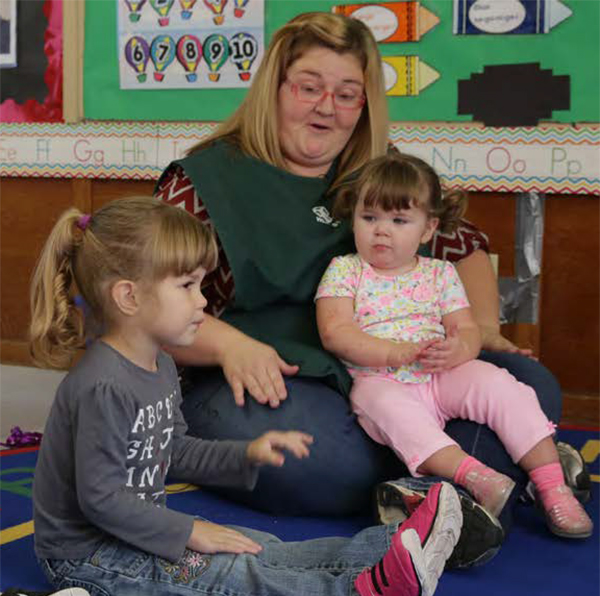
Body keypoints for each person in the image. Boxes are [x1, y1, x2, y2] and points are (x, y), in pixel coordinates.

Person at [154, 11, 574, 531]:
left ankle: (425, 488)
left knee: (529, 382)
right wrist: (227, 345)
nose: (326, 108)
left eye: (348, 94)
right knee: (327, 461)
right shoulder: (201, 181)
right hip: (262, 375)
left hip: (392, 368)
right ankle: (479, 476)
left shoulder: (377, 167)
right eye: (309, 87)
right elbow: (154, 307)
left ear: (365, 104)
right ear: (275, 88)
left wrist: (483, 328)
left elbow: (465, 244)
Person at [29, 196, 462, 596]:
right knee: (229, 575)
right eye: (186, 286)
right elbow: (101, 500)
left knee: (257, 547)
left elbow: (173, 449)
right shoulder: (103, 386)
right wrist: (188, 532)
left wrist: (244, 455)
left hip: (134, 532)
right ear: (128, 296)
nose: (202, 301)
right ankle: (358, 591)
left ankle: (395, 547)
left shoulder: (159, 364)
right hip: (89, 558)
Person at [315, 153, 592, 539]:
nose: (381, 231)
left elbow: (466, 329)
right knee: (382, 406)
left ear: (427, 229)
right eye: (369, 218)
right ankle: (477, 477)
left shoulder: (439, 272)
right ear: (354, 219)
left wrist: (459, 349)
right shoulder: (345, 270)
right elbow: (336, 332)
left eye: (398, 221)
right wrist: (394, 352)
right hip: (384, 379)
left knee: (503, 387)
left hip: (441, 371)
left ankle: (552, 486)